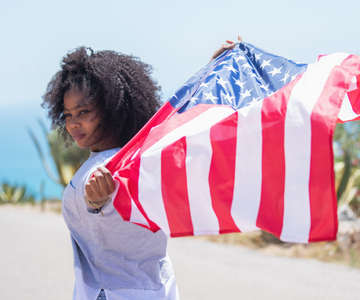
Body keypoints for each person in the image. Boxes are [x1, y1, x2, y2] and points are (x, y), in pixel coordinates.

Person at [42, 39, 238, 300]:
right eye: (67, 115)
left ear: (112, 106)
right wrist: (217, 70)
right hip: (154, 289)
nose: (73, 123)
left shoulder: (118, 167)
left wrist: (95, 199)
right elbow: (183, 122)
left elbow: (103, 187)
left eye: (83, 111)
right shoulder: (148, 156)